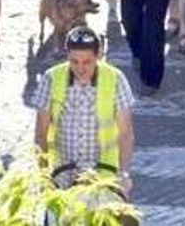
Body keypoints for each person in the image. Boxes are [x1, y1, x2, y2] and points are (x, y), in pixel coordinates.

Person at [33, 26, 136, 196]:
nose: (80, 68)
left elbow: (126, 133)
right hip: (62, 175)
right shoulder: (51, 78)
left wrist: (124, 174)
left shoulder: (115, 79)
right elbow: (40, 134)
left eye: (87, 62)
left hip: (103, 175)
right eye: (74, 61)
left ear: (98, 56)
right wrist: (43, 176)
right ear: (67, 56)